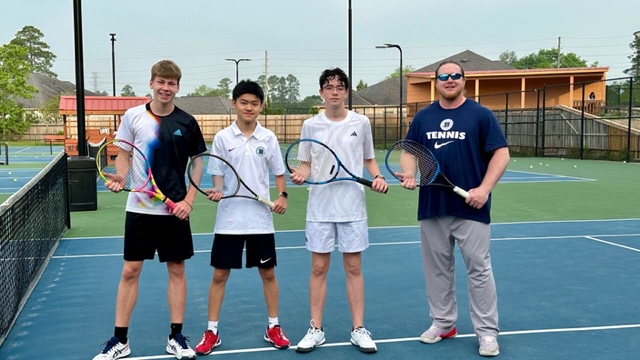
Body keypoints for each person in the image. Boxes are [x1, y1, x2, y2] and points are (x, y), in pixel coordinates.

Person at [93, 60, 206, 360]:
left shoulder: (187, 122)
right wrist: (121, 175)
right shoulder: (133, 116)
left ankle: (176, 337)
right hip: (140, 209)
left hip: (176, 211)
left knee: (177, 270)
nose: (166, 88)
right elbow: (124, 153)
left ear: (178, 87)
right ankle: (120, 340)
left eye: (171, 83)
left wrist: (189, 200)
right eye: (161, 82)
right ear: (152, 83)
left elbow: (197, 162)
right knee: (130, 270)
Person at [395, 60, 509, 357]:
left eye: (455, 76)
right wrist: (408, 174)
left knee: (479, 270)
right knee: (437, 270)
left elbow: (501, 153)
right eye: (444, 76)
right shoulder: (423, 118)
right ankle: (443, 323)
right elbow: (410, 150)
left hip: (472, 208)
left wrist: (484, 190)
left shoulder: (481, 115)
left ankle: (486, 333)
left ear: (464, 81)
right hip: (433, 206)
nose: (449, 80)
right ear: (436, 82)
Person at [291, 68, 388, 354]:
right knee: (318, 267)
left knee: (353, 267)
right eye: (328, 86)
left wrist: (378, 177)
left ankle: (358, 329)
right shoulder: (311, 125)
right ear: (321, 92)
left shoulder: (362, 122)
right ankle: (316, 329)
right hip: (320, 206)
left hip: (352, 206)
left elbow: (368, 158)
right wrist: (300, 173)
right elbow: (306, 162)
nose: (334, 91)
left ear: (346, 92)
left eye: (339, 86)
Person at [193, 80, 290, 355]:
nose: (249, 107)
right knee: (220, 274)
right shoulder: (223, 138)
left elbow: (279, 173)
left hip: (261, 220)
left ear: (261, 107)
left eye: (255, 103)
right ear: (234, 104)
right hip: (229, 221)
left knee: (268, 273)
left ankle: (273, 326)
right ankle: (212, 331)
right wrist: (218, 192)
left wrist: (282, 196)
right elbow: (219, 176)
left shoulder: (268, 138)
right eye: (244, 102)